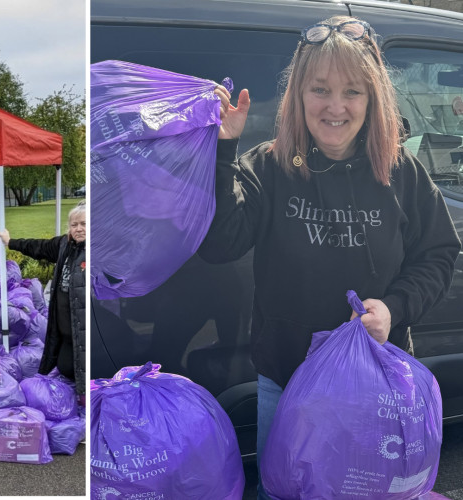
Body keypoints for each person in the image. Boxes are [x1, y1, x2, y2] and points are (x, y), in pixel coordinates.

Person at [197, 16, 461, 499]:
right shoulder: (269, 166)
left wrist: (395, 307)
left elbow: (439, 255)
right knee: (287, 491)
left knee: (372, 491)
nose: (335, 107)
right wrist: (223, 151)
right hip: (287, 380)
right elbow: (220, 244)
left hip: (376, 387)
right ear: (299, 95)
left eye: (353, 91)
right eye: (320, 89)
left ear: (373, 97)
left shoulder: (401, 172)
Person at [0, 201, 86, 403]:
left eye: (83, 224)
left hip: (84, 330)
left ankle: (87, 400)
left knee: (83, 369)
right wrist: (11, 242)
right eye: (74, 225)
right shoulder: (64, 245)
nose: (79, 229)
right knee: (65, 366)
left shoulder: (97, 252)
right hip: (65, 330)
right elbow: (39, 247)